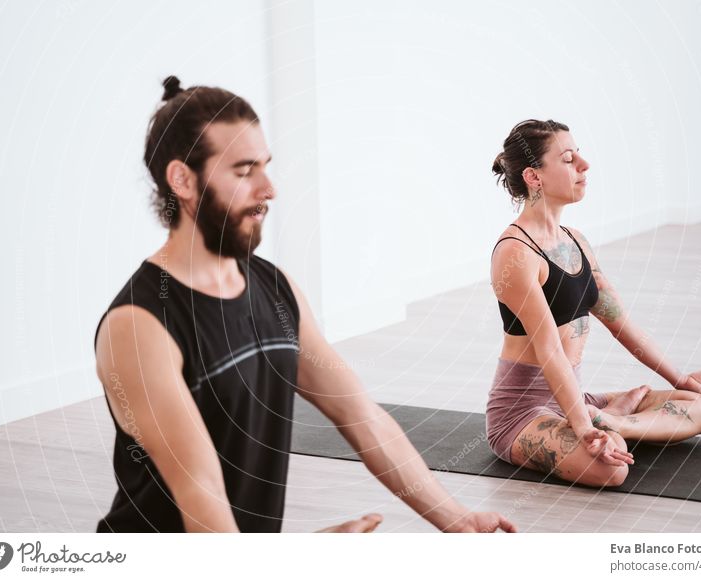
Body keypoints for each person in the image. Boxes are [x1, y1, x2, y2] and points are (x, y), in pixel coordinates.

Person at [94, 76, 516, 533]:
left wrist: (457, 520)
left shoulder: (275, 290)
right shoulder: (139, 326)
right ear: (182, 179)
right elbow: (202, 493)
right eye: (243, 170)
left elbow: (362, 416)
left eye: (265, 166)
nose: (268, 188)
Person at [485, 119, 701, 487]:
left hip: (576, 398)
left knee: (700, 407)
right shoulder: (516, 253)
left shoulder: (577, 241)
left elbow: (623, 325)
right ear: (534, 177)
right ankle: (606, 425)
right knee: (612, 469)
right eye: (569, 159)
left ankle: (613, 420)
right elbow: (551, 352)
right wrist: (583, 428)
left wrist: (684, 379)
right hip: (522, 413)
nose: (584, 166)